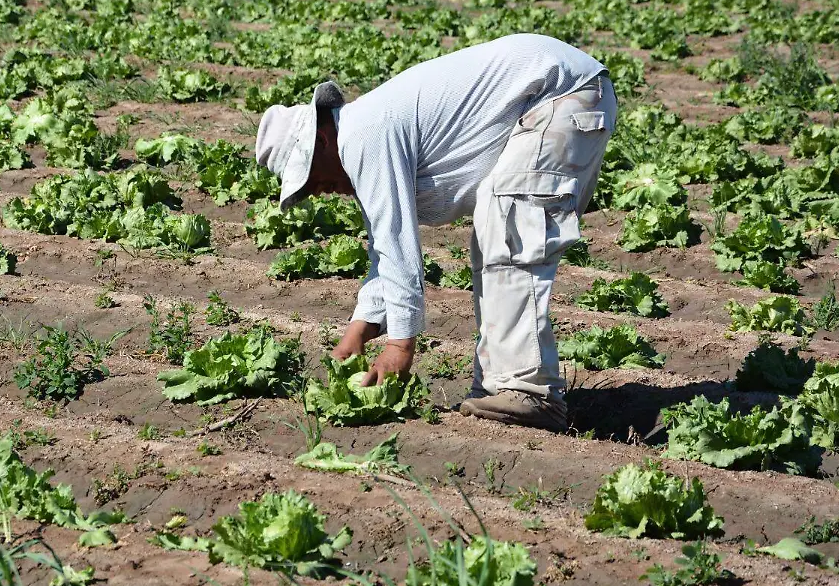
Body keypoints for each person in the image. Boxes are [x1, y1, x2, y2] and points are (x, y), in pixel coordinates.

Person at [255, 33, 617, 432]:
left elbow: (398, 244)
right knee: (496, 228)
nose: (317, 191)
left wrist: (399, 345)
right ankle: (501, 390)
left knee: (508, 227)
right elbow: (384, 248)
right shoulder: (362, 135)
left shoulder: (363, 136)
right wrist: (362, 327)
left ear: (321, 141)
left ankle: (529, 393)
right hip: (563, 94)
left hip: (562, 93)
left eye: (309, 180)